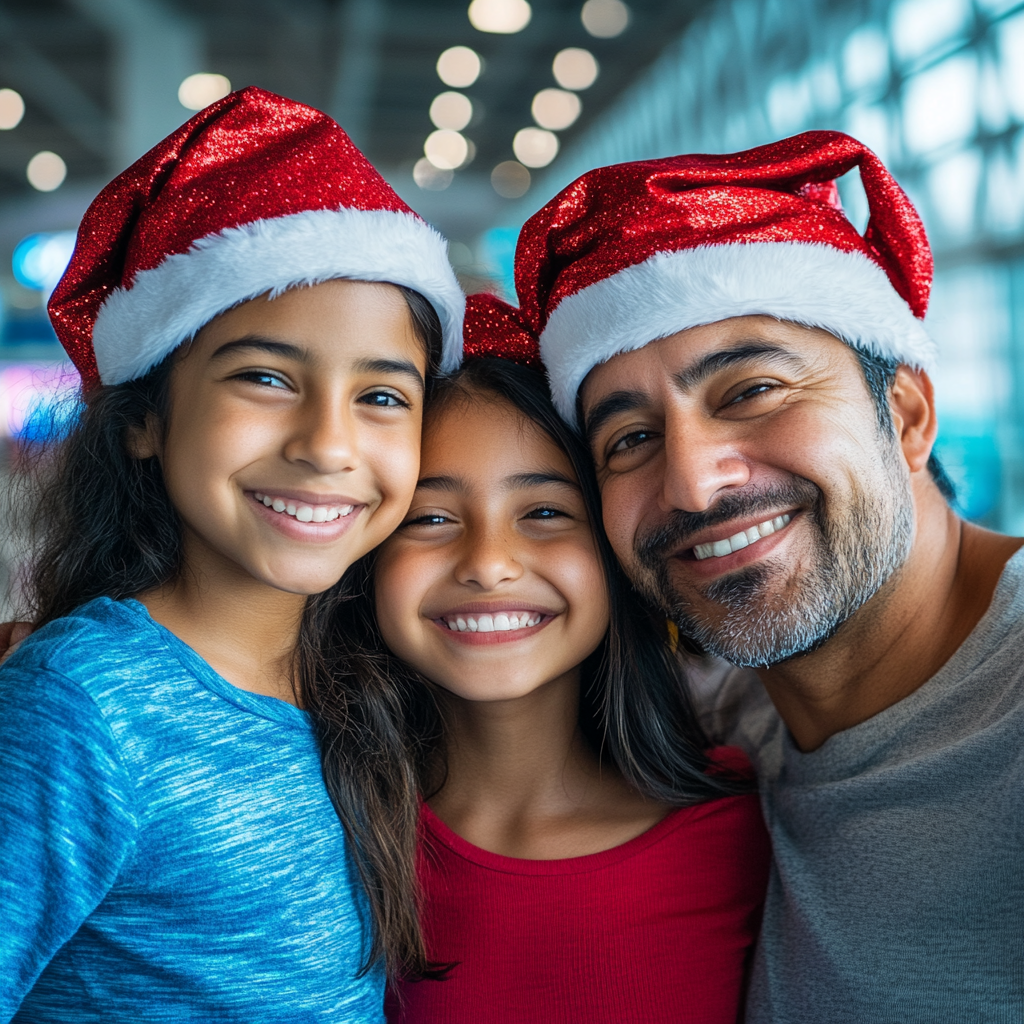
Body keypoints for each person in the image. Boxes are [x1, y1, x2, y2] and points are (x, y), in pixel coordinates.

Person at [514, 131, 1024, 1022]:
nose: (692, 482)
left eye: (751, 391)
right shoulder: (717, 723)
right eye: (629, 439)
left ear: (905, 414)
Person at [0, 87, 464, 1022]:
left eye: (382, 397)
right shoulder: (85, 706)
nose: (327, 445)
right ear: (145, 422)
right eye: (264, 377)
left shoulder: (366, 673)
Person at [327, 294, 768, 1024]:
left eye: (544, 514)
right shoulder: (318, 834)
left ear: (615, 548)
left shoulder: (746, 823)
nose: (489, 564)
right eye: (429, 519)